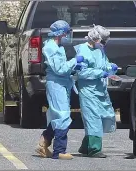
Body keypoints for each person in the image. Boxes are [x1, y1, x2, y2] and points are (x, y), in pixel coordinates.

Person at [35, 20, 84, 160]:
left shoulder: (58, 46)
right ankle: (59, 151)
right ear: (61, 33)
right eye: (67, 32)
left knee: (57, 115)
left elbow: (62, 68)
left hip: (61, 83)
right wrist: (75, 61)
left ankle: (43, 142)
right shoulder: (51, 47)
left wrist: (74, 68)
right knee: (62, 115)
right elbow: (59, 69)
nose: (68, 35)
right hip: (56, 84)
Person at [74, 25, 118, 158]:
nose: (103, 44)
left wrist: (111, 68)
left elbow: (104, 64)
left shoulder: (99, 50)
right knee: (93, 118)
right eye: (102, 40)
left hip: (100, 89)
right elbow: (82, 72)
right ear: (95, 37)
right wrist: (100, 73)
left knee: (103, 116)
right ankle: (94, 148)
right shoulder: (83, 50)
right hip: (88, 90)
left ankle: (86, 146)